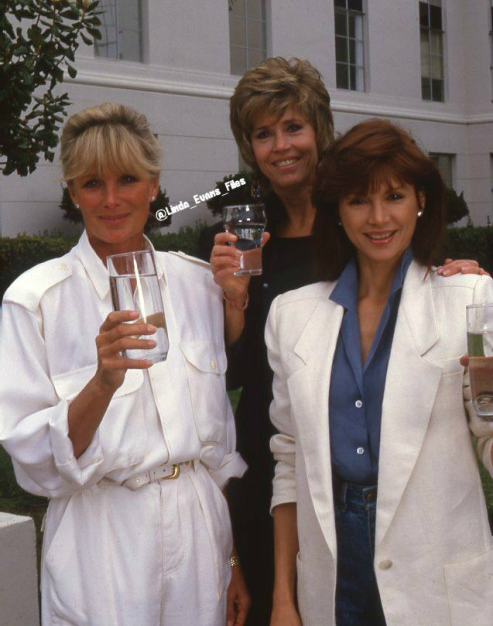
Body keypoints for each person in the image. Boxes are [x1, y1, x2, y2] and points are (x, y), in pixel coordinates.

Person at [209, 57, 487, 626]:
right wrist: (232, 300)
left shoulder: (426, 271)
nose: (281, 145)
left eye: (293, 127)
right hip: (290, 477)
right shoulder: (247, 236)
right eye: (264, 134)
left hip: (424, 534)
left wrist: (466, 294)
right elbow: (234, 377)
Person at [0, 103, 250, 626]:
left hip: (198, 527)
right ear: (72, 192)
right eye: (92, 183)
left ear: (155, 185)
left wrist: (231, 559)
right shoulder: (36, 299)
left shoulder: (196, 283)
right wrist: (102, 382)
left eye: (128, 179)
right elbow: (33, 460)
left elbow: (218, 440)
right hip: (102, 530)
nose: (111, 200)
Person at [267, 119, 493, 626]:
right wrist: (284, 596)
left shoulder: (472, 300)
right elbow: (289, 461)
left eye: (393, 196)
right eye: (357, 200)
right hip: (331, 568)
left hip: (437, 569)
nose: (377, 217)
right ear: (338, 213)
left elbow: (489, 434)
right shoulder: (291, 315)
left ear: (421, 201)